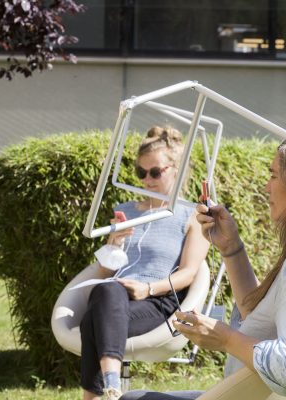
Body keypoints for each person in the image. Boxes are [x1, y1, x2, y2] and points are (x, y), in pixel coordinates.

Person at [122, 132, 286, 399]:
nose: (266, 187)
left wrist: (225, 338)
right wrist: (231, 247)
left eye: (273, 176)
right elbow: (262, 321)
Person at [81, 126, 210, 400]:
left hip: (159, 301)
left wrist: (147, 289)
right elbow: (105, 271)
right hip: (116, 295)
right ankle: (112, 384)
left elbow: (189, 273)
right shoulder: (125, 211)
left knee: (92, 317)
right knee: (106, 288)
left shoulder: (191, 215)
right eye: (141, 172)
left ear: (175, 169)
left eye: (155, 172)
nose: (147, 179)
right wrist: (114, 243)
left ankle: (101, 392)